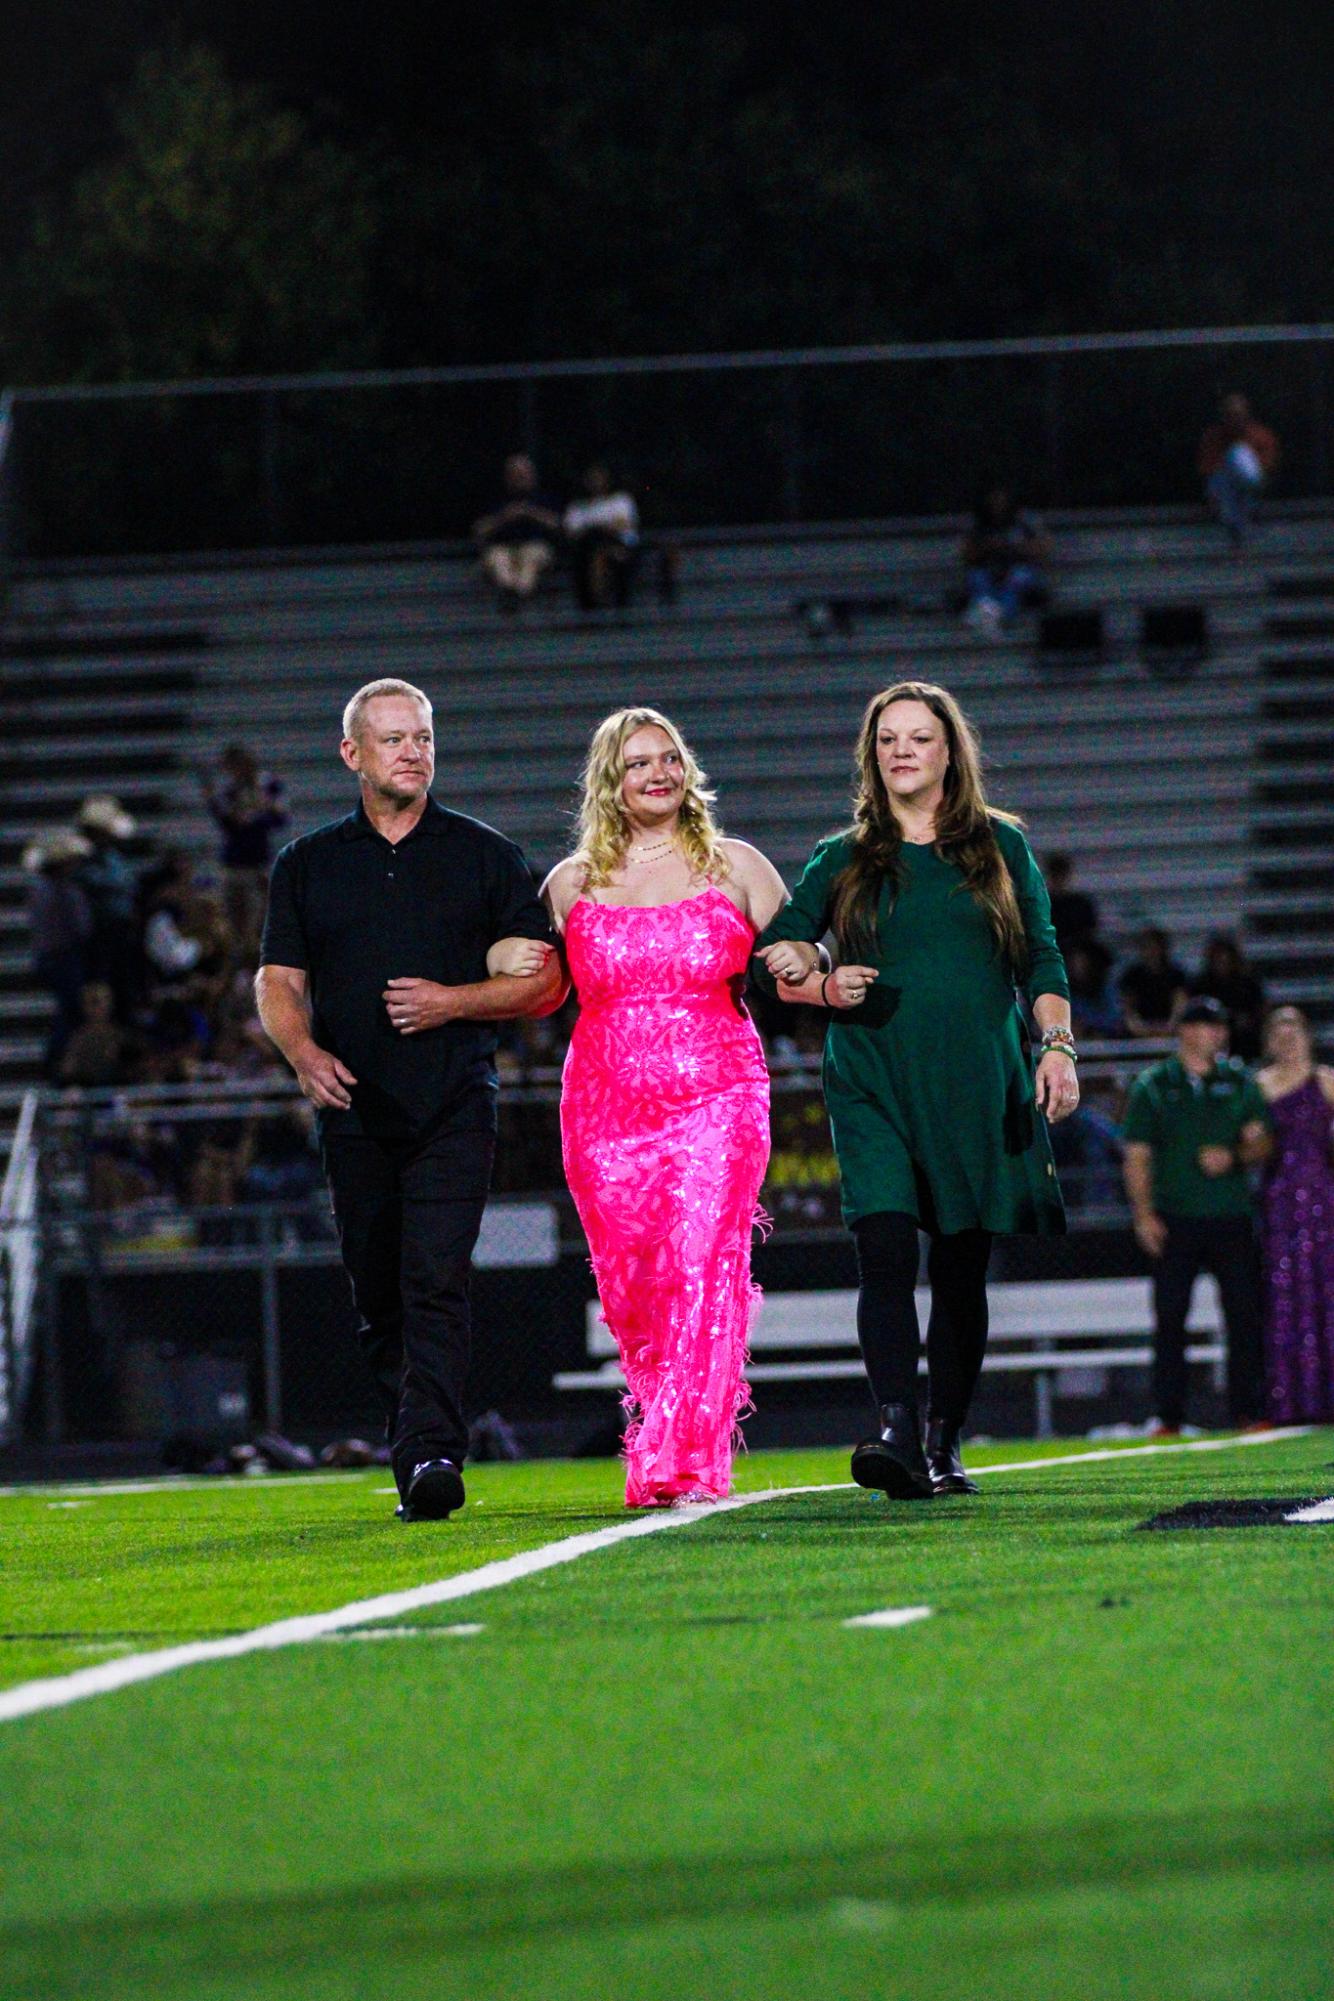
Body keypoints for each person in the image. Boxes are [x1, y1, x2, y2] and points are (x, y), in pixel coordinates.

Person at [753, 680, 1077, 1499]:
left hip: (978, 1081)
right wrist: (816, 974)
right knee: (887, 1249)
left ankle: (944, 1438)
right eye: (887, 738)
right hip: (873, 1079)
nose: (901, 749)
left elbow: (1040, 955)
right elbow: (785, 944)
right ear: (873, 756)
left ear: (948, 751)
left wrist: (1059, 1045)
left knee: (962, 1270)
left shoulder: (1002, 846)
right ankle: (896, 1428)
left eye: (918, 737)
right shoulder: (842, 856)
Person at [256, 677, 564, 1523]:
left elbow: (542, 984)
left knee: (436, 1277)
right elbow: (278, 980)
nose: (413, 752)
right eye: (393, 739)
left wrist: (451, 1002)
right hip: (352, 1110)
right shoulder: (307, 863)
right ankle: (415, 1436)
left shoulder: (484, 854)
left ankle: (431, 1451)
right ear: (352, 754)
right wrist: (302, 1050)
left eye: (422, 737)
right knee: (377, 1289)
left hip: (454, 1102)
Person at [492, 707, 786, 1508]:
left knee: (703, 1268)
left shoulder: (738, 866)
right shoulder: (569, 881)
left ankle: (679, 1459)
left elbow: (800, 954)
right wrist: (496, 955)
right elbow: (530, 978)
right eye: (636, 763)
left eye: (668, 758)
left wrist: (816, 958)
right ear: (609, 783)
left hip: (719, 1097)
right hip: (604, 1111)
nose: (656, 773)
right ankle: (669, 1433)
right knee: (635, 1290)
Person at [1122, 996, 1272, 1434]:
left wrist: (1235, 1156)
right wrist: (1144, 1214)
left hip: (1230, 1214)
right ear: (1186, 1031)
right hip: (1176, 1216)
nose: (1217, 1034)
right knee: (1169, 1318)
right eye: (1207, 1026)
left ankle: (1248, 1409)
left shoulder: (1239, 1080)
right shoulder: (1155, 1084)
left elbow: (1262, 1141)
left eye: (1219, 1026)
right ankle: (1169, 1415)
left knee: (1244, 1314)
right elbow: (1137, 1155)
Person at [1256, 1006, 1334, 1423]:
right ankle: (1292, 1401)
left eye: (1294, 1033)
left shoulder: (1326, 1081)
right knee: (1287, 1297)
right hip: (1281, 1202)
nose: (1287, 1041)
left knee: (1327, 1294)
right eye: (1279, 1034)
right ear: (1269, 1041)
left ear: (1306, 1036)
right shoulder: (1258, 1086)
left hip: (1324, 1200)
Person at [202, 745, 289, 960]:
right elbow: (229, 826)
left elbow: (280, 818)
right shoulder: (231, 791)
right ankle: (240, 956)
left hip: (258, 862)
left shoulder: (266, 786)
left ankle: (258, 956)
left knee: (262, 917)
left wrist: (258, 815)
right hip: (236, 862)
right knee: (236, 918)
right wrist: (214, 802)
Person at [25, 828, 94, 1074]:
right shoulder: (66, 893)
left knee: (67, 1009)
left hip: (47, 957)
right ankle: (58, 1059)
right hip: (64, 957)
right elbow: (82, 928)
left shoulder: (39, 890)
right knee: (71, 1010)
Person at [471, 453, 562, 611]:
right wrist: (505, 517)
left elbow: (558, 525)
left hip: (535, 547)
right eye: (515, 474)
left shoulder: (544, 499)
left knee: (531, 557)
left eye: (524, 473)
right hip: (503, 547)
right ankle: (510, 591)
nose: (520, 478)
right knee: (498, 558)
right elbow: (479, 530)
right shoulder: (497, 500)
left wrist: (530, 513)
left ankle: (517, 595)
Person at [960, 486, 1052, 636]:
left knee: (1016, 580)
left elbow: (1043, 549)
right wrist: (988, 546)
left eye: (1002, 501)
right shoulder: (978, 524)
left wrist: (1016, 546)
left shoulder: (1025, 521)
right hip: (988, 569)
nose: (998, 506)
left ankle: (1001, 617)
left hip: (1019, 568)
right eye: (994, 502)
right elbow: (966, 555)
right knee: (977, 579)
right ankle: (988, 618)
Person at [1198, 392, 1279, 547]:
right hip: (1225, 488)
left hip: (1252, 488)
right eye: (1230, 415)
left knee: (1240, 452)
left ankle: (1237, 527)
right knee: (1233, 462)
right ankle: (1235, 528)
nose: (1234, 419)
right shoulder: (1213, 437)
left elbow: (1267, 467)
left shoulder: (1261, 435)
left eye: (1238, 415)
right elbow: (1208, 469)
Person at [563, 462, 640, 611]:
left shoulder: (621, 500)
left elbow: (624, 526)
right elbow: (573, 533)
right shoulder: (577, 507)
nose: (595, 482)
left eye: (599, 478)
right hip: (587, 551)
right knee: (593, 547)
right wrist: (601, 526)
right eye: (591, 479)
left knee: (606, 551)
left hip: (621, 545)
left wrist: (595, 525)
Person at [1189, 931, 1267, 1063]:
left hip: (1244, 1033)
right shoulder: (1201, 984)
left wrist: (1247, 1020)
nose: (1222, 962)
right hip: (1212, 1030)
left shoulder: (1248, 981)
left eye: (1226, 958)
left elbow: (1260, 1008)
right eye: (1218, 959)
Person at [1117, 925, 1188, 1037]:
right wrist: (1139, 1028)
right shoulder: (1132, 975)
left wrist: (1169, 1027)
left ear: (1163, 948)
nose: (1152, 951)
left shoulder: (1176, 975)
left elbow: (1180, 1004)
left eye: (1155, 947)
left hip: (1169, 1027)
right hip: (1139, 1029)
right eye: (1147, 947)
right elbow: (1128, 1008)